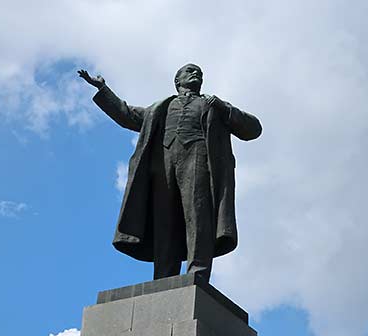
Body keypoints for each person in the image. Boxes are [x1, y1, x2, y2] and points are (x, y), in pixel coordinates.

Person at [78, 63, 262, 281]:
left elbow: (253, 129)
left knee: (197, 216)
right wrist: (103, 90)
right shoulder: (161, 108)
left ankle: (197, 274)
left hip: (198, 161)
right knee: (164, 222)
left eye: (200, 73)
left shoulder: (214, 106)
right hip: (163, 166)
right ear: (177, 81)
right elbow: (127, 114)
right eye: (190, 71)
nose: (196, 74)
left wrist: (225, 109)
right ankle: (164, 278)